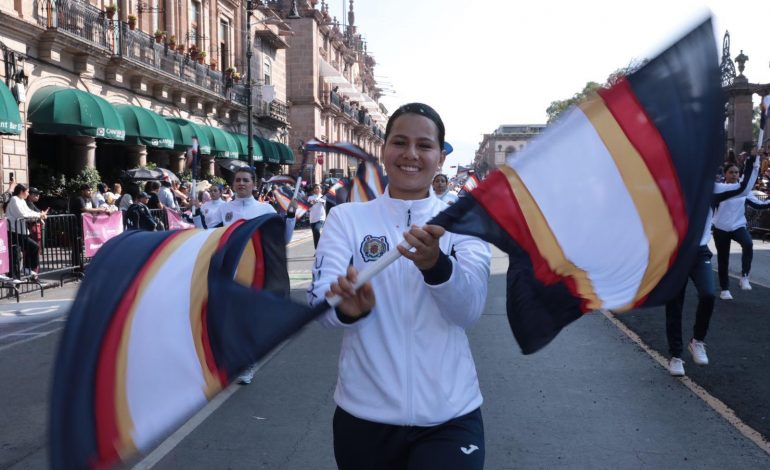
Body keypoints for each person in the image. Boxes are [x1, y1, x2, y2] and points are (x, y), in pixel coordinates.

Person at [308, 103, 491, 469]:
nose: (411, 154)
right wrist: (346, 309)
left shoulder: (464, 221)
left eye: (424, 145)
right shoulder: (346, 219)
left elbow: (468, 310)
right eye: (400, 142)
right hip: (364, 418)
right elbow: (320, 308)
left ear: (440, 157)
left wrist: (436, 266)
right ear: (384, 149)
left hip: (450, 415)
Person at [666, 155, 759, 376]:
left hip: (698, 253)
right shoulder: (669, 187)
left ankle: (697, 340)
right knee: (674, 306)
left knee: (708, 294)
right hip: (674, 254)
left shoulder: (711, 189)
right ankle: (676, 356)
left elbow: (744, 188)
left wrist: (753, 160)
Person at [219, 167, 297, 385]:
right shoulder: (224, 209)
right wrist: (197, 214)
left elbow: (283, 239)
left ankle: (248, 363)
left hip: (255, 273)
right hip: (229, 271)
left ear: (254, 184)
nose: (241, 183)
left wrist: (290, 217)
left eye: (245, 180)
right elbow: (208, 236)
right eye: (237, 180)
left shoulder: (265, 210)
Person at [712, 158, 770, 300]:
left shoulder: (743, 190)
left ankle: (744, 276)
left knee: (748, 244)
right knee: (723, 259)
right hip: (721, 227)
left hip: (738, 225)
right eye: (731, 172)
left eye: (737, 172)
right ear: (725, 174)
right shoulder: (719, 188)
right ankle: (724, 289)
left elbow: (758, 205)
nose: (734, 175)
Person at [5, 184, 47, 279]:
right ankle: (14, 276)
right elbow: (23, 214)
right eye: (27, 191)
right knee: (16, 254)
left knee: (32, 248)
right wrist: (39, 215)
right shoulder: (14, 199)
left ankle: (25, 269)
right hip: (13, 231)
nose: (28, 194)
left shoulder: (22, 201)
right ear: (21, 191)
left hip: (21, 231)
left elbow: (29, 211)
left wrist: (39, 214)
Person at [307, 184, 326, 249]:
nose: (316, 189)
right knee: (315, 235)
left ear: (321, 190)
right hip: (312, 218)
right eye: (315, 188)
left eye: (318, 188)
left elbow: (325, 205)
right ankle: (317, 249)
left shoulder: (323, 197)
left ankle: (320, 247)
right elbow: (308, 208)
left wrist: (321, 201)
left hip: (321, 218)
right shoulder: (310, 198)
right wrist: (312, 203)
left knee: (316, 230)